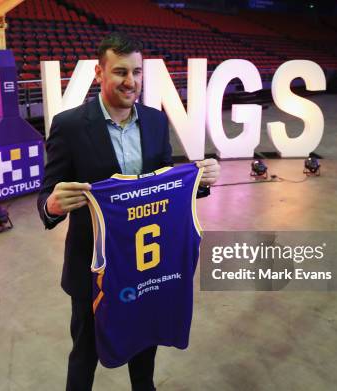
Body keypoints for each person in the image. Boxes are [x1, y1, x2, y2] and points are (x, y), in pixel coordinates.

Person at [37, 32, 220, 391]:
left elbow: (164, 183)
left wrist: (199, 181)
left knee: (144, 344)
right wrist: (53, 205)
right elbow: (48, 195)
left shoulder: (154, 120)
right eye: (121, 72)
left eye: (136, 72)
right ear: (99, 73)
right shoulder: (70, 125)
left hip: (144, 263)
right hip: (95, 268)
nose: (131, 81)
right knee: (85, 353)